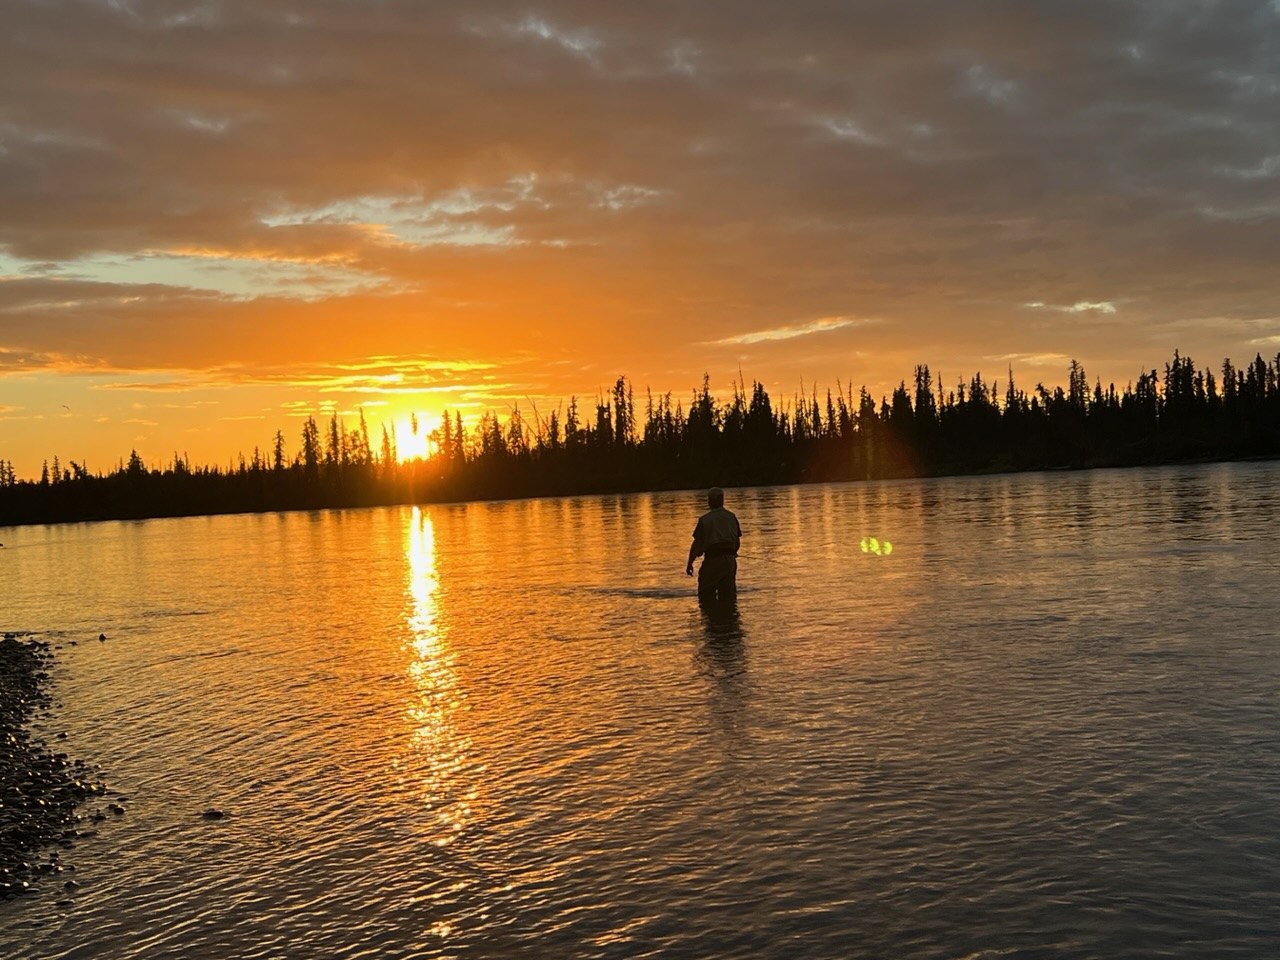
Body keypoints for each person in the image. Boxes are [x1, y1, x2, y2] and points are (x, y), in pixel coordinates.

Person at [686, 487, 742, 605]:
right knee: (729, 598)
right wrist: (732, 553)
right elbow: (737, 542)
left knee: (705, 596)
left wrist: (690, 563)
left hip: (713, 561)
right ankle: (729, 622)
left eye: (709, 500)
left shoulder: (705, 520)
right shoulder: (732, 517)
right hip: (730, 562)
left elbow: (697, 544)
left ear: (711, 500)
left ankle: (712, 621)